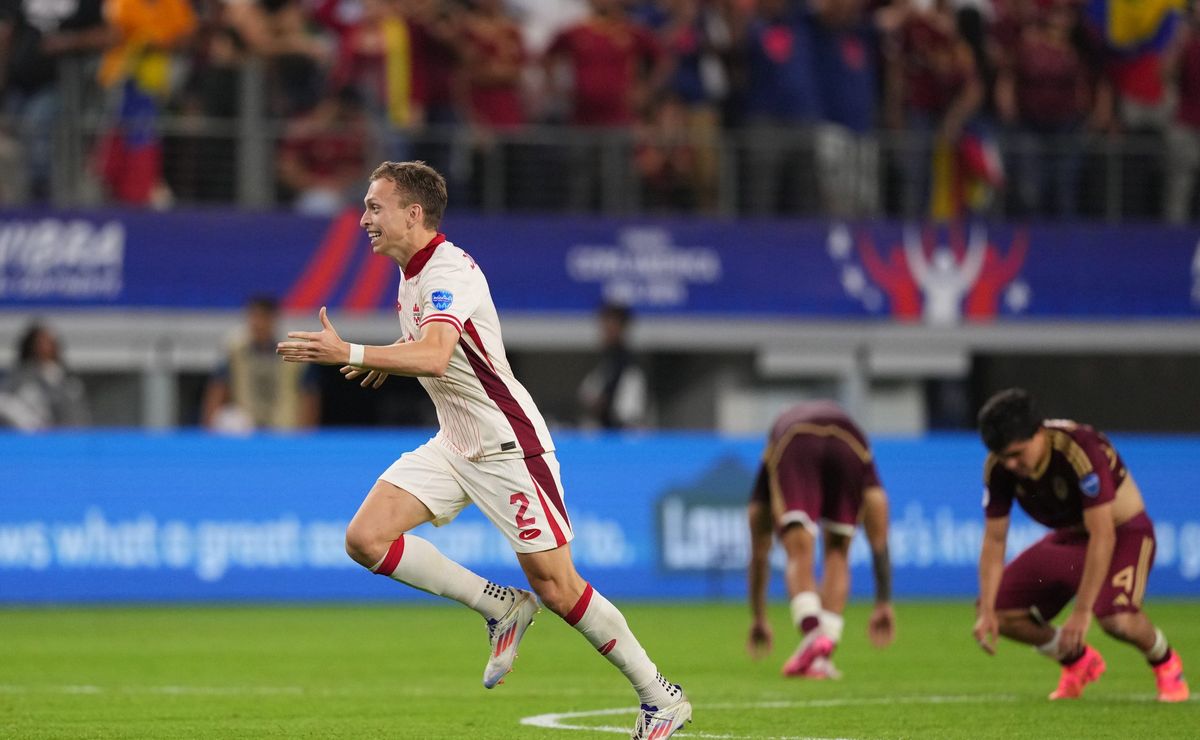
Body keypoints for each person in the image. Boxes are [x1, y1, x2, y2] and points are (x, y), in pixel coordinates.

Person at [276, 161, 692, 738]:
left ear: (412, 214)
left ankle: (660, 695)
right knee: (365, 539)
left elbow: (436, 355)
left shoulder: (447, 270)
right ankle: (500, 607)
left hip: (507, 446)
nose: (364, 218)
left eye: (375, 207)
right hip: (455, 444)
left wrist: (354, 352)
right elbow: (434, 346)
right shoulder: (410, 275)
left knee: (558, 586)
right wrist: (389, 353)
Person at [973, 388, 1189, 702]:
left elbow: (1103, 534)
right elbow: (994, 539)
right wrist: (988, 611)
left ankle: (1166, 663)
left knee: (1116, 619)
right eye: (1003, 456)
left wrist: (1081, 612)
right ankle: (1078, 662)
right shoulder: (999, 467)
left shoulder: (1079, 448)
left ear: (1039, 432)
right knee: (996, 609)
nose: (1010, 463)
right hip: (1070, 539)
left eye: (1017, 453)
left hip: (1123, 533)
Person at [745, 400, 896, 679]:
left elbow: (759, 547)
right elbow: (879, 522)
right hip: (850, 442)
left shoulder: (776, 441)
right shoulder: (852, 435)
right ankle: (820, 657)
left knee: (799, 550)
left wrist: (759, 617)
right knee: (838, 552)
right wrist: (883, 601)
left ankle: (813, 632)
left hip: (796, 439)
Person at [202, 295, 319, 432]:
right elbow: (218, 387)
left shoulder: (296, 348)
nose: (257, 323)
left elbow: (309, 394)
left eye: (262, 317)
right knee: (228, 419)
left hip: (285, 428)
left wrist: (305, 434)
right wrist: (208, 433)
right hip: (247, 428)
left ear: (273, 319)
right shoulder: (235, 347)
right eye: (253, 317)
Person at [0, 322, 90, 431]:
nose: (45, 347)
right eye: (41, 342)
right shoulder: (20, 376)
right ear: (31, 345)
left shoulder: (66, 380)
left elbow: (78, 416)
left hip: (62, 439)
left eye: (50, 342)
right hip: (28, 439)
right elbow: (4, 401)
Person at [577, 301, 648, 429]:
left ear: (622, 328)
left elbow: (630, 413)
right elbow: (588, 393)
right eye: (604, 325)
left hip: (621, 436)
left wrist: (603, 403)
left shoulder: (629, 364)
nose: (605, 330)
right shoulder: (604, 360)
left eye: (611, 325)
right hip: (605, 431)